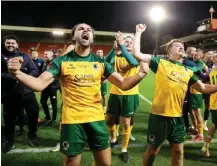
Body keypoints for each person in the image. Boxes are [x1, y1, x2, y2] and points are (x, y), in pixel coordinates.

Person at [7, 23, 149, 166]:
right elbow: (39, 84)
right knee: (71, 163)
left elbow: (123, 83)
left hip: (97, 120)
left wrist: (141, 74)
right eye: (81, 29)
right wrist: (17, 73)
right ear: (74, 37)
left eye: (89, 30)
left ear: (92, 39)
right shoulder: (61, 61)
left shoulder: (101, 62)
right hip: (72, 121)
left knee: (105, 163)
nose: (85, 31)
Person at [133, 24, 217, 166]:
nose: (181, 46)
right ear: (169, 51)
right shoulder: (161, 63)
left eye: (181, 45)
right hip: (159, 117)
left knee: (179, 152)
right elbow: (137, 54)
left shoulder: (187, 71)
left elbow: (204, 87)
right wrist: (138, 32)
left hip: (178, 118)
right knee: (153, 151)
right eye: (177, 45)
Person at [2, 35, 40, 153]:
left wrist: (24, 77)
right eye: (8, 43)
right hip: (9, 93)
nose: (10, 45)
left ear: (17, 45)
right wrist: (14, 76)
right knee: (9, 118)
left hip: (27, 92)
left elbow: (35, 70)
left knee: (33, 113)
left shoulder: (25, 56)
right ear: (4, 44)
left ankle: (32, 135)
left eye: (13, 43)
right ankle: (10, 141)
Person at [105, 32, 139, 163]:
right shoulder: (117, 55)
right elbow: (106, 62)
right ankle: (113, 139)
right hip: (115, 93)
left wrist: (122, 47)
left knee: (126, 123)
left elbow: (132, 62)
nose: (128, 43)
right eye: (126, 42)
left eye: (130, 42)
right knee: (108, 120)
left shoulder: (136, 55)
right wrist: (114, 50)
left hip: (130, 95)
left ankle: (124, 150)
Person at [39, 50, 60, 125]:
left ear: (51, 55)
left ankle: (53, 119)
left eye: (46, 54)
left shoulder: (55, 62)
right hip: (45, 85)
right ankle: (47, 116)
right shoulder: (45, 62)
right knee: (42, 101)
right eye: (44, 54)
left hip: (53, 86)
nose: (45, 55)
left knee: (53, 103)